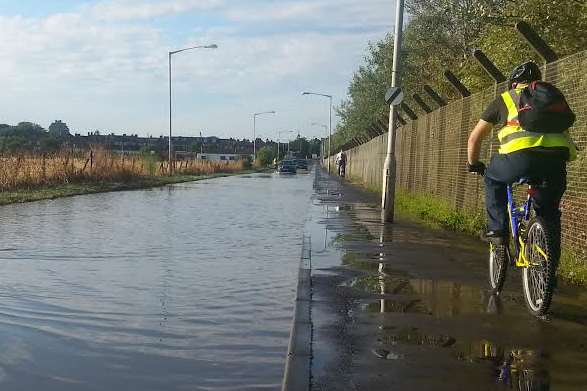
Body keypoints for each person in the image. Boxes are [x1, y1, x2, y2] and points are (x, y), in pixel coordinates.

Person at [467, 61, 577, 244]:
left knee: (492, 177)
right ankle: (549, 265)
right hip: (556, 162)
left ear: (514, 83)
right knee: (549, 215)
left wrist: (473, 164)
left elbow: (474, 139)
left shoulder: (506, 98)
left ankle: (497, 230)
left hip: (519, 161)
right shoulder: (551, 99)